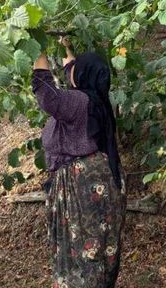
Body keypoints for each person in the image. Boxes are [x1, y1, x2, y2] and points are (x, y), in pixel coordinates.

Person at [32, 37, 126, 288]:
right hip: (99, 180)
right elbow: (72, 70)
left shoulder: (79, 102)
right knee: (96, 247)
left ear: (82, 75)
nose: (70, 72)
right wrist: (67, 49)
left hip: (80, 187)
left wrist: (36, 49)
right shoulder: (95, 98)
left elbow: (48, 96)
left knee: (80, 251)